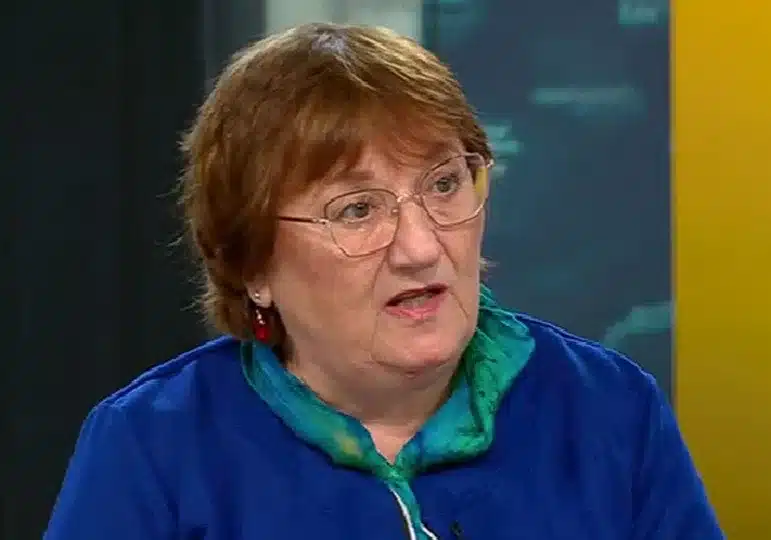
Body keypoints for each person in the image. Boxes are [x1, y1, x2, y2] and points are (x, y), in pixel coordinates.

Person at [44, 23, 724, 539]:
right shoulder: (153, 449)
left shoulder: (609, 410)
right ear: (252, 265)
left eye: (444, 184)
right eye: (357, 210)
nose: (422, 247)